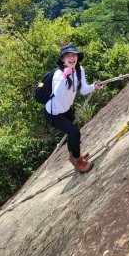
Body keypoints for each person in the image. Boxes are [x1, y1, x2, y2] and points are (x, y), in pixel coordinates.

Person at [44, 43, 102, 173]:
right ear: (62, 59)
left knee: (73, 133)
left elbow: (83, 90)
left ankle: (73, 156)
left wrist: (94, 86)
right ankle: (79, 162)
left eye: (74, 55)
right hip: (54, 113)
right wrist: (65, 77)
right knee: (74, 132)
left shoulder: (79, 70)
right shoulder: (58, 75)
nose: (72, 58)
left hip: (67, 108)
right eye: (68, 55)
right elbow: (57, 94)